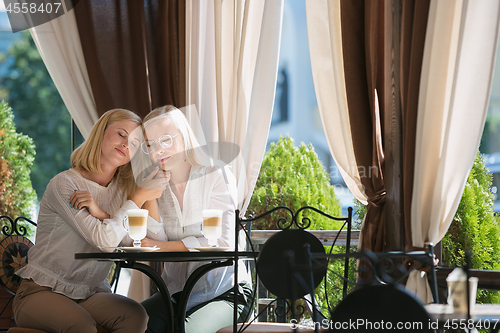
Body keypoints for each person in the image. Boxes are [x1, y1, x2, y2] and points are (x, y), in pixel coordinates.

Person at [14, 109, 168, 333]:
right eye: (121, 134)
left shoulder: (123, 191)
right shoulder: (65, 185)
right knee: (82, 326)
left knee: (135, 315)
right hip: (41, 292)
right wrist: (138, 198)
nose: (126, 145)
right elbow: (104, 241)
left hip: (89, 293)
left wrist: (141, 193)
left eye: (135, 143)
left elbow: (153, 240)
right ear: (100, 134)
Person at [137, 105, 252, 333]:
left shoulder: (216, 174)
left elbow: (222, 243)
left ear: (186, 137)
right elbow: (155, 239)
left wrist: (162, 247)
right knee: (132, 324)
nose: (159, 150)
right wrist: (149, 194)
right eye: (150, 144)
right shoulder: (158, 183)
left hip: (226, 292)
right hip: (175, 293)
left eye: (166, 139)